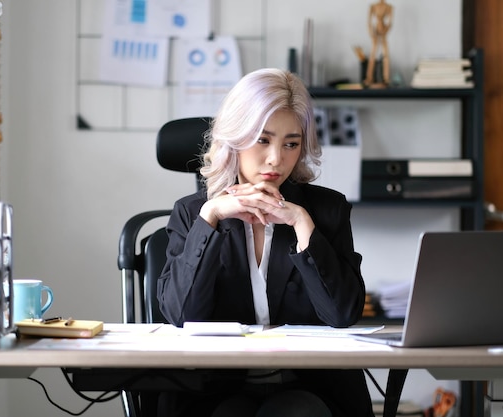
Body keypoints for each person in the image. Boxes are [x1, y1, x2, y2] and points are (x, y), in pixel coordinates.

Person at [156, 68, 374, 417]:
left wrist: (303, 224)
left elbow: (342, 314)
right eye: (263, 140)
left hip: (308, 387)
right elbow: (183, 316)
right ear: (235, 137)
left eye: (291, 143)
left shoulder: (326, 210)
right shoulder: (192, 214)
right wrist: (210, 218)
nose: (277, 159)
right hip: (216, 388)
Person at [365, 0, 393, 85]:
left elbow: (390, 22)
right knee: (373, 54)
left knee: (386, 55)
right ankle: (369, 77)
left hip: (383, 31)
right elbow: (369, 21)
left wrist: (385, 30)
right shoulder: (373, 6)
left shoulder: (389, 7)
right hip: (375, 31)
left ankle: (386, 78)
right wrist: (371, 32)